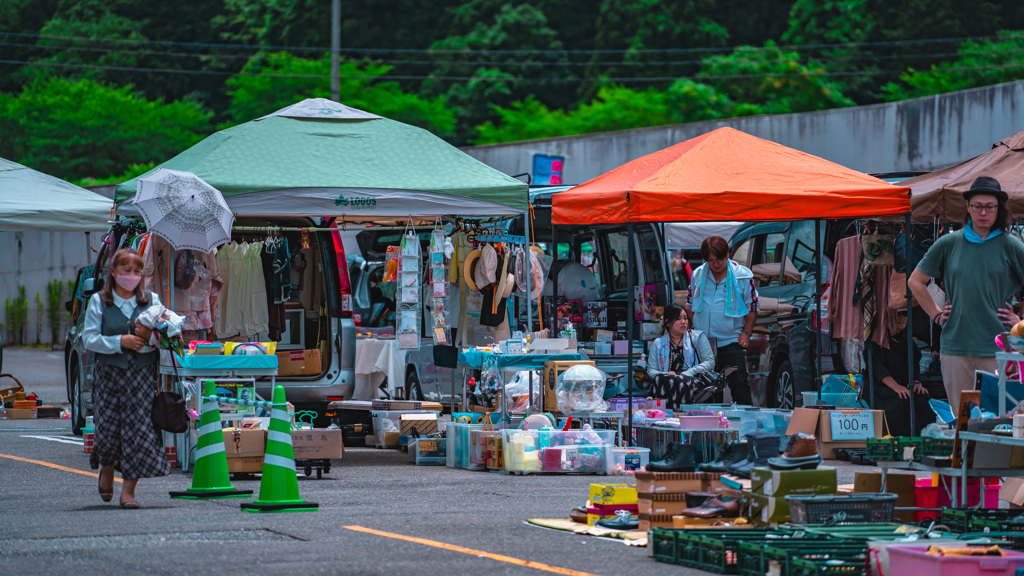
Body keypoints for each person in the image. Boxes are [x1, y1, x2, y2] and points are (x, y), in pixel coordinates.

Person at [909, 176, 1024, 410]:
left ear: (998, 208)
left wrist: (1019, 321)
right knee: (962, 423)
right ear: (968, 207)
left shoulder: (1011, 245)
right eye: (977, 206)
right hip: (955, 348)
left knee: (1000, 424)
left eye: (989, 206)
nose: (983, 212)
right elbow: (915, 281)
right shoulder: (949, 243)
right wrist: (937, 315)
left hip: (998, 348)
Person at [82, 248, 170, 509]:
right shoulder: (100, 301)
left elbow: (168, 339)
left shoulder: (152, 301)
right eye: (126, 271)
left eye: (136, 271)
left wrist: (152, 337)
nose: (131, 276)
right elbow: (89, 339)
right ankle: (107, 468)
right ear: (113, 272)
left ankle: (129, 492)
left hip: (141, 375)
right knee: (108, 428)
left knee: (139, 430)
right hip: (108, 373)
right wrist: (121, 341)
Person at [686, 236, 759, 405]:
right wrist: (691, 332)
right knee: (704, 392)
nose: (715, 264)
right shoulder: (698, 274)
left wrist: (746, 333)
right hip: (703, 344)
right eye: (710, 260)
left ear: (728, 254)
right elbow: (690, 305)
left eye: (719, 259)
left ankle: (744, 427)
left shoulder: (743, 276)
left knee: (740, 388)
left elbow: (752, 307)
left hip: (731, 342)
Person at [869, 309, 934, 436]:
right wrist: (896, 387)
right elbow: (878, 367)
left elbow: (914, 365)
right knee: (902, 400)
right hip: (881, 387)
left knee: (923, 398)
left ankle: (926, 439)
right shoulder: (876, 341)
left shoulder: (907, 341)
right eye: (897, 314)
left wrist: (916, 382)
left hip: (905, 385)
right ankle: (904, 440)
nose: (902, 318)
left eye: (904, 314)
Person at [646, 304, 718, 408]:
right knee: (659, 379)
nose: (683, 322)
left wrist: (688, 373)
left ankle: (679, 415)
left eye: (685, 318)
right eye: (678, 319)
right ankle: (663, 416)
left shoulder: (698, 337)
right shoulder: (658, 343)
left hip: (693, 378)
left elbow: (710, 362)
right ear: (667, 321)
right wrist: (667, 374)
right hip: (668, 378)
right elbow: (651, 370)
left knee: (680, 382)